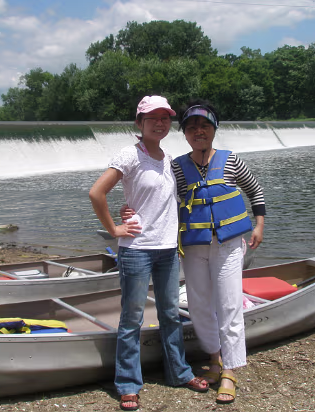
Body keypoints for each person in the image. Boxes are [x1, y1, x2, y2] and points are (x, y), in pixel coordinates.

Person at [89, 95, 208, 411]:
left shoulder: (169, 158)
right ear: (139, 123)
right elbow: (96, 192)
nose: (160, 123)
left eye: (165, 118)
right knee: (132, 318)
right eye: (153, 117)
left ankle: (179, 373)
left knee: (170, 314)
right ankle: (128, 384)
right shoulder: (129, 155)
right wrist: (115, 228)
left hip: (168, 249)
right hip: (137, 250)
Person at [172, 99, 265, 404]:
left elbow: (255, 191)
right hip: (194, 245)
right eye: (191, 127)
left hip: (228, 244)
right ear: (185, 134)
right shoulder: (178, 167)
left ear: (213, 129)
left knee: (228, 305)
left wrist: (259, 225)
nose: (198, 131)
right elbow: (165, 202)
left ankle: (231, 371)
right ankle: (215, 359)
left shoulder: (231, 161)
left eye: (204, 125)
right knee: (199, 305)